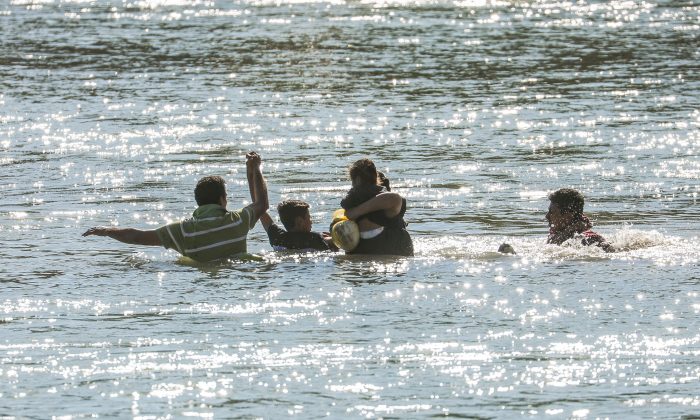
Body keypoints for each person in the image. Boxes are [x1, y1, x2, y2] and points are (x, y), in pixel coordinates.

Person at [82, 152, 269, 262]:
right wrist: (255, 169)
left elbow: (137, 236)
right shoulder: (237, 221)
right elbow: (262, 204)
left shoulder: (182, 231)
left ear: (198, 202)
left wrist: (107, 230)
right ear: (222, 200)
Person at [339, 158, 414, 256]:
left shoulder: (353, 202)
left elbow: (395, 198)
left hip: (371, 247)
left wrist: (356, 212)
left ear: (357, 180)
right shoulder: (355, 199)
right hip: (394, 247)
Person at [546, 188, 614, 252]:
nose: (547, 216)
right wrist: (571, 229)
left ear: (569, 215)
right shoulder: (559, 231)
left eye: (552, 212)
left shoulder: (587, 239)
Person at [259, 200, 337, 252]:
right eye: (309, 218)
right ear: (299, 222)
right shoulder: (315, 239)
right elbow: (341, 241)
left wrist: (252, 178)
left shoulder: (277, 237)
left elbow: (260, 210)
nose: (311, 221)